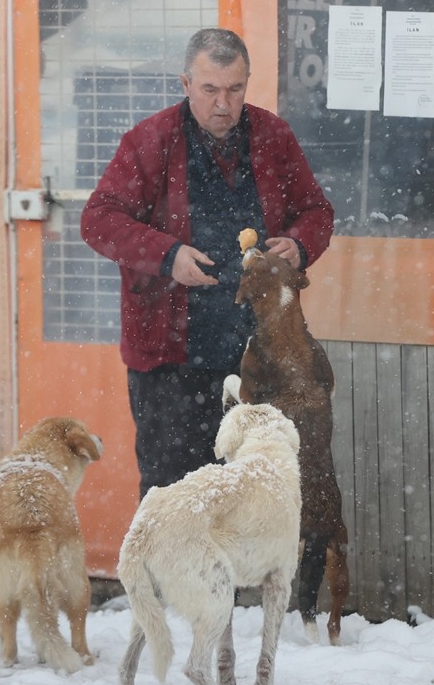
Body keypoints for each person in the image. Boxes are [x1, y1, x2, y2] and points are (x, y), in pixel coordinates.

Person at [81, 27, 334, 498]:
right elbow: (98, 219)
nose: (224, 103)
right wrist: (166, 255)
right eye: (210, 89)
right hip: (171, 358)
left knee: (252, 495)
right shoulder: (150, 141)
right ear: (185, 85)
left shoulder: (272, 137)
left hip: (260, 355)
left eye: (235, 89)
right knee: (174, 493)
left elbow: (316, 211)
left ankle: (247, 576)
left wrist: (299, 245)